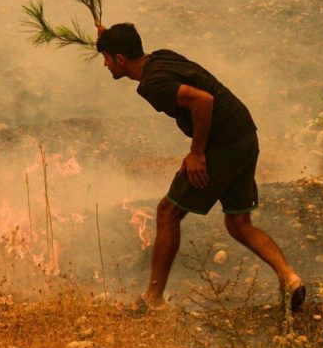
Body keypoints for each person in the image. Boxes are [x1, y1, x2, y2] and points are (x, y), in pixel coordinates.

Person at [95, 22, 304, 314]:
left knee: (167, 212)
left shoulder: (152, 84)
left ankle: (154, 298)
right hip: (244, 134)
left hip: (224, 144)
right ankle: (289, 276)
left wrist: (197, 153)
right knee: (239, 224)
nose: (104, 64)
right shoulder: (160, 57)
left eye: (106, 57)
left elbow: (202, 101)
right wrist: (107, 38)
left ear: (120, 59)